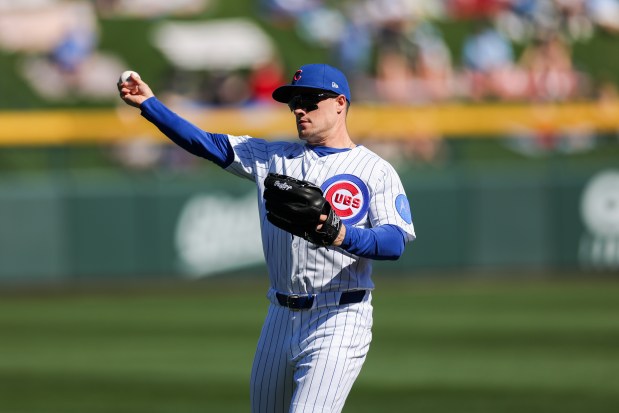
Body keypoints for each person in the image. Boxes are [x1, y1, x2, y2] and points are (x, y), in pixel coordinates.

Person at [118, 63, 416, 413]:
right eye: (294, 102)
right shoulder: (273, 156)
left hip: (339, 316)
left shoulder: (374, 170)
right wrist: (149, 105)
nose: (299, 109)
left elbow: (394, 241)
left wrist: (341, 234)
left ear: (339, 102)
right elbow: (205, 143)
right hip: (279, 314)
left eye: (309, 100)